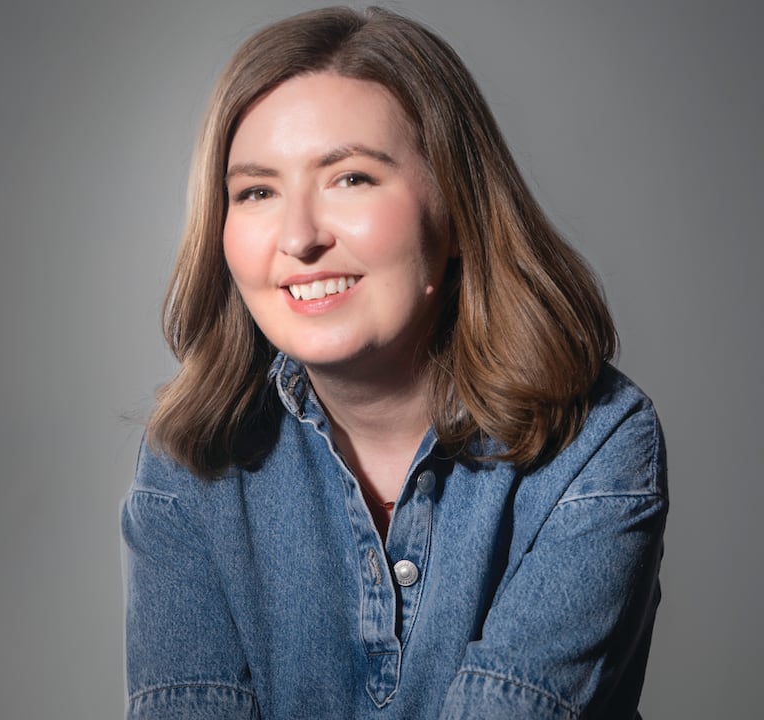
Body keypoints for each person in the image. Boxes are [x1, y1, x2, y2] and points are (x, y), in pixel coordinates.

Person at [120, 5, 668, 719]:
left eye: (351, 178)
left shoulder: (599, 442)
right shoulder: (186, 463)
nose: (299, 237)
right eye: (256, 191)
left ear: (458, 210)